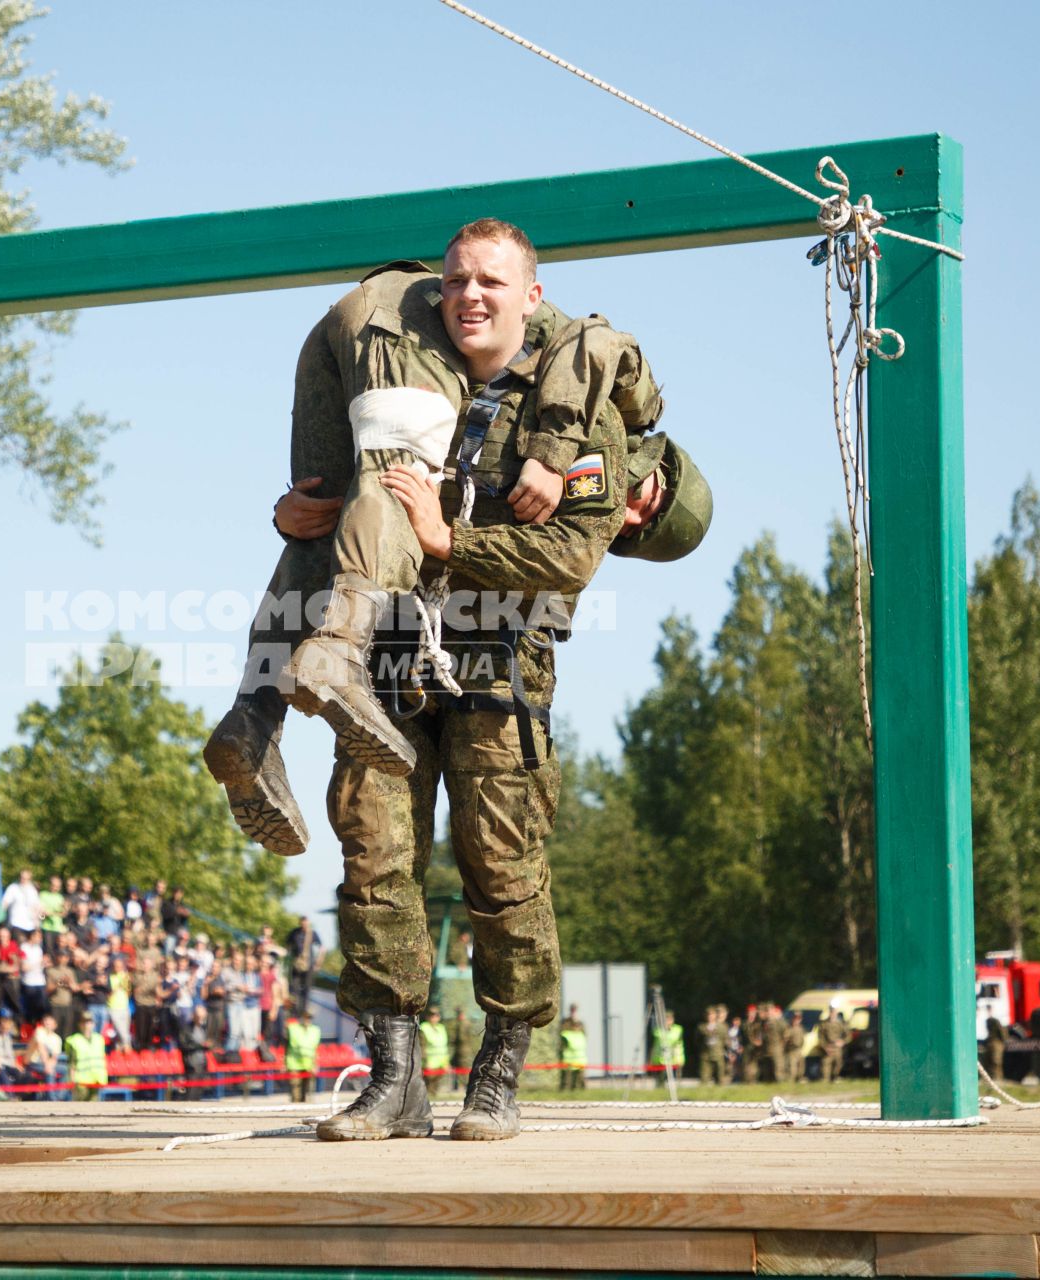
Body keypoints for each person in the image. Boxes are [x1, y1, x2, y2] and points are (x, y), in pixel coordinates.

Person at [280, 223, 706, 1144]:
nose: (472, 296)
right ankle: (393, 1077)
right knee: (373, 853)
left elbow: (569, 556)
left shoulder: (572, 409)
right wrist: (298, 515)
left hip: (501, 658)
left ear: (531, 298)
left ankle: (499, 1073)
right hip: (388, 648)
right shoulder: (400, 382)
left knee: (502, 868)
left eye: (492, 283)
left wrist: (449, 542)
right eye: (457, 282)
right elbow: (344, 502)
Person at [66, 1012, 108, 1102]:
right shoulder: (74, 1040)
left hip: (97, 1080)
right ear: (79, 1024)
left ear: (93, 1024)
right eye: (84, 1022)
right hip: (81, 1082)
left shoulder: (99, 1039)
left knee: (94, 1108)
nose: (86, 1025)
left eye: (89, 1022)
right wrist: (72, 1082)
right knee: (79, 1108)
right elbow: (72, 1064)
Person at [284, 1005, 322, 1103]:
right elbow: (285, 1047)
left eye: (309, 1017)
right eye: (306, 1016)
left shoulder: (315, 1030)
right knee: (295, 1095)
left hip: (309, 1065)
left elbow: (316, 1049)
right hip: (294, 1064)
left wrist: (316, 1064)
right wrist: (284, 1063)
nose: (307, 1019)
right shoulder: (292, 1028)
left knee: (308, 1097)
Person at [418, 1006, 452, 1098]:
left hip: (441, 1063)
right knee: (426, 1090)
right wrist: (425, 1062)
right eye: (432, 1015)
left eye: (436, 1015)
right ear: (427, 1016)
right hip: (429, 1064)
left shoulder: (441, 1028)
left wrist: (446, 1063)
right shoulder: (423, 1028)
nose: (434, 1017)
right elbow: (422, 1047)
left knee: (434, 1091)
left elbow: (444, 1047)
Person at [559, 1007, 588, 1092]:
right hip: (568, 1054)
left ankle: (579, 1088)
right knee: (566, 1074)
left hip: (579, 1055)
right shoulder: (565, 1022)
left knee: (579, 1074)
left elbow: (584, 1035)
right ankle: (565, 1088)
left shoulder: (580, 1023)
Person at [819, 1008, 852, 1084]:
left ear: (836, 1013)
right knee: (826, 1064)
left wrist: (843, 1042)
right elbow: (821, 1037)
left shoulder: (840, 1024)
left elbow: (848, 1035)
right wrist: (825, 1047)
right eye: (831, 1012)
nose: (832, 1014)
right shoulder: (824, 1024)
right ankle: (825, 1080)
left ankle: (835, 1078)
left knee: (838, 1063)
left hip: (837, 1048)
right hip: (828, 1047)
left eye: (834, 1013)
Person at [700, 1005, 730, 1086]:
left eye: (712, 1014)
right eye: (708, 1014)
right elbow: (697, 1041)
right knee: (704, 1078)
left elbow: (726, 1040)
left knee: (720, 1078)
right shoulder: (701, 1027)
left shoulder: (722, 1027)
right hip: (706, 1056)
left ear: (715, 1015)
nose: (710, 1016)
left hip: (718, 1055)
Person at [650, 1010, 684, 1078]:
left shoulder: (678, 1029)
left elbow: (676, 1043)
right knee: (660, 1079)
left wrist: (680, 1060)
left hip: (673, 1060)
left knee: (672, 1079)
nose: (668, 1021)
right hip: (659, 1060)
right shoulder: (658, 1030)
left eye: (669, 1019)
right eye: (666, 1019)